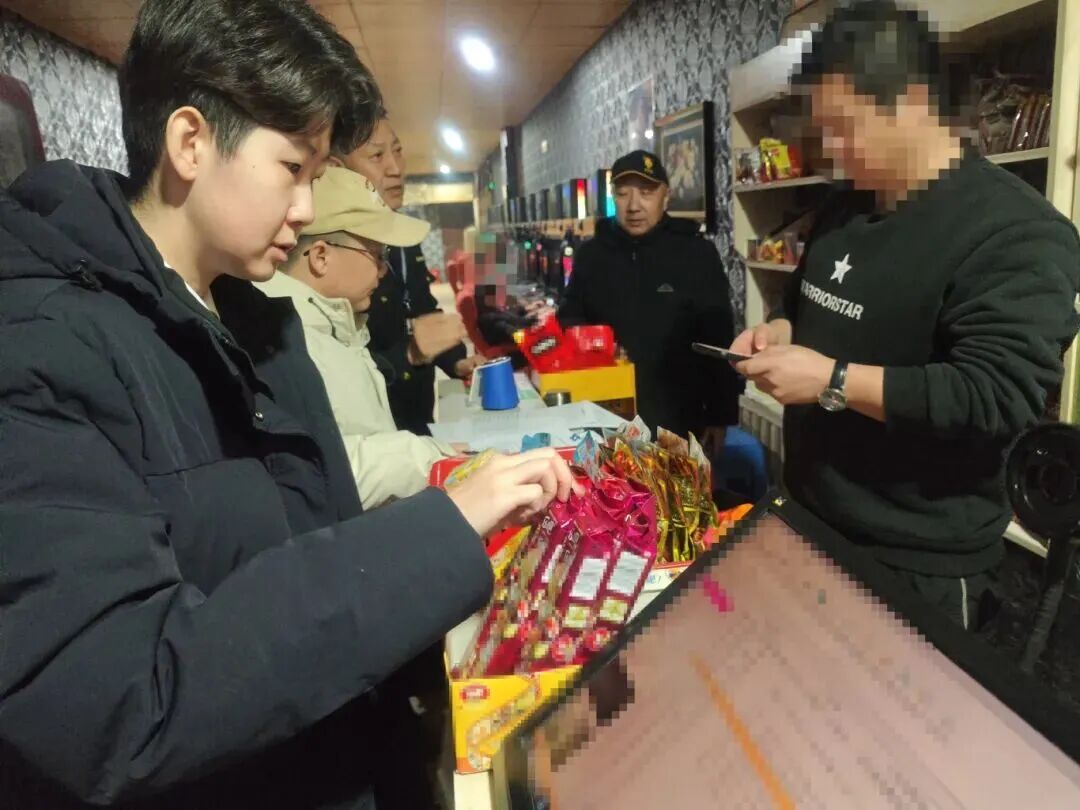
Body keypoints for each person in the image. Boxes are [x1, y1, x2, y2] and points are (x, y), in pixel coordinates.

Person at [0, 1, 574, 808]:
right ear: (191, 142)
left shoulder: (260, 321)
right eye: (292, 170)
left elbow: (319, 544)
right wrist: (437, 530)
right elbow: (123, 704)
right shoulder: (40, 347)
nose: (306, 210)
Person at [731, 0, 1080, 630]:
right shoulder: (845, 204)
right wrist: (778, 330)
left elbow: (995, 396)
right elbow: (804, 300)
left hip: (917, 562)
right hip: (809, 515)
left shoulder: (1017, 232)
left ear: (914, 101)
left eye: (844, 127)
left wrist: (832, 381)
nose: (830, 149)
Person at [257, 167, 458, 509]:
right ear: (321, 256)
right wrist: (430, 458)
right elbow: (319, 471)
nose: (383, 270)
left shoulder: (334, 325)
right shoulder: (284, 341)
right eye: (377, 255)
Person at [558, 149, 743, 451]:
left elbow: (718, 337)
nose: (634, 206)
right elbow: (569, 318)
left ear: (665, 196)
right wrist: (594, 344)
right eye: (623, 194)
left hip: (679, 418)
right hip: (605, 416)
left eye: (646, 193)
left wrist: (721, 416)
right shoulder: (592, 255)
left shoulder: (696, 254)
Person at [333, 116, 481, 435]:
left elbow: (422, 306)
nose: (395, 168)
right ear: (336, 168)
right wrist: (408, 354)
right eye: (377, 155)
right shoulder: (332, 247)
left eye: (397, 151)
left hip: (418, 413)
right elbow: (335, 367)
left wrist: (455, 360)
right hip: (372, 430)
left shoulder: (404, 237)